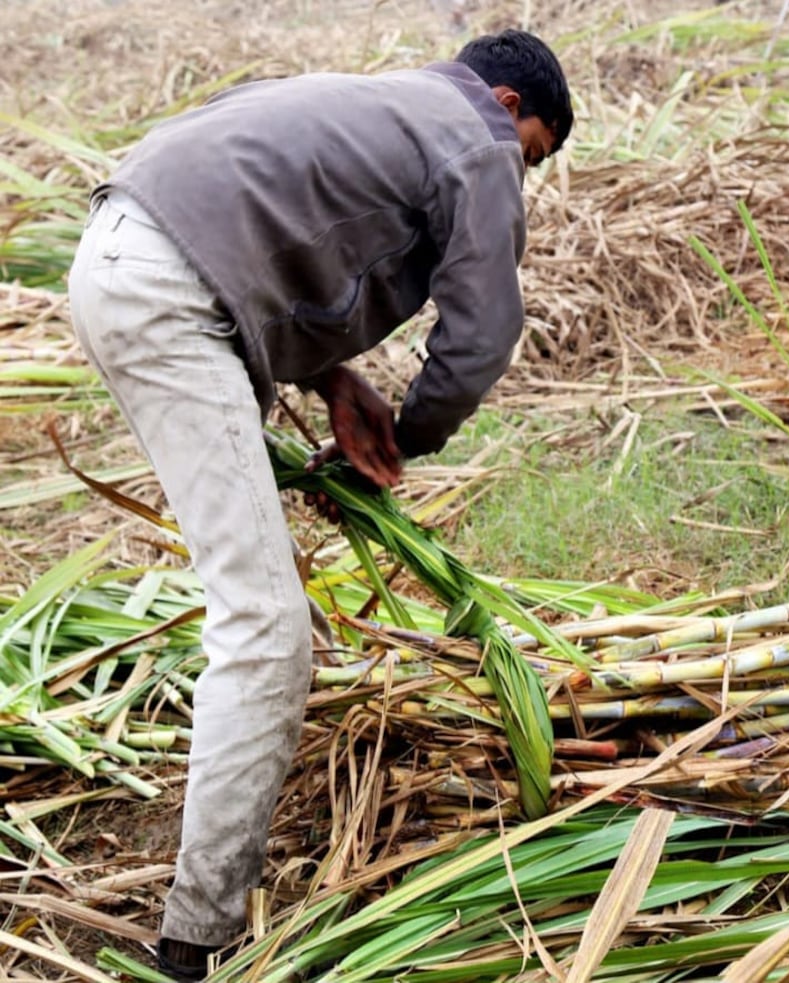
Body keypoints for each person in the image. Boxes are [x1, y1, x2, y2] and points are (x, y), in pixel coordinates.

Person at [66, 28, 572, 980]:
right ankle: (198, 938)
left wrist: (334, 380)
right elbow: (482, 334)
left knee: (255, 599)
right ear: (510, 106)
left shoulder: (371, 97)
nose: (522, 173)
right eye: (534, 153)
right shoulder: (479, 135)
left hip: (120, 255)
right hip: (170, 302)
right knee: (267, 627)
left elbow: (257, 225)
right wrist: (408, 437)